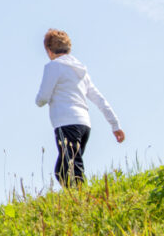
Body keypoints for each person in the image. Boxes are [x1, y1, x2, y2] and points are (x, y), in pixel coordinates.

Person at [36, 29, 125, 187]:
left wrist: (39, 101)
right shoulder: (81, 71)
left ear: (48, 50)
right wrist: (115, 125)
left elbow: (42, 98)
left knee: (72, 169)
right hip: (84, 125)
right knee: (62, 171)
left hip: (66, 123)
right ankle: (74, 201)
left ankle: (84, 200)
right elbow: (99, 98)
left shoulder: (53, 67)